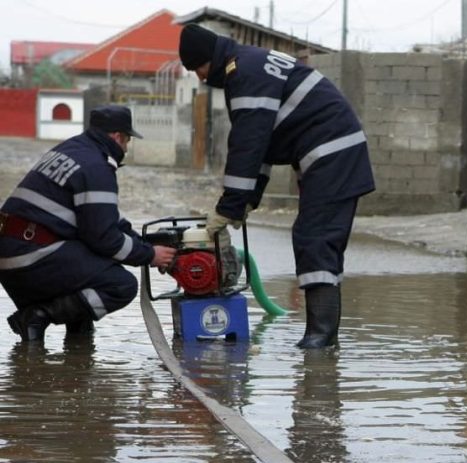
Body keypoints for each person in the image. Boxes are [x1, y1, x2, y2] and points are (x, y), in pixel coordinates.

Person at [178, 23, 375, 349]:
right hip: (332, 152)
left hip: (332, 153)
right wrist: (247, 200)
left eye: (197, 68)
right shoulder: (246, 64)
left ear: (208, 58)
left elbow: (248, 144)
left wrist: (228, 206)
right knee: (318, 238)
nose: (199, 77)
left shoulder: (243, 73)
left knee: (315, 237)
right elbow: (265, 147)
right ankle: (325, 340)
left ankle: (320, 340)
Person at [0, 105, 176, 341]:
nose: (125, 148)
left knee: (89, 278)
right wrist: (149, 255)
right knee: (120, 284)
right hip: (30, 258)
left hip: (15, 255)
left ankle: (77, 351)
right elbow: (103, 239)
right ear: (117, 137)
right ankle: (37, 316)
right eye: (127, 141)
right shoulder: (97, 166)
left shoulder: (73, 149)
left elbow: (106, 220)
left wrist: (144, 243)